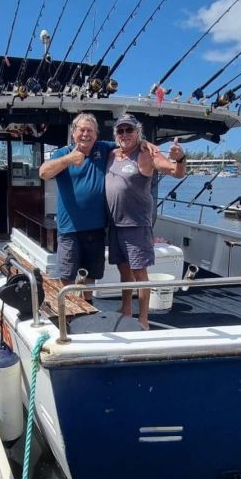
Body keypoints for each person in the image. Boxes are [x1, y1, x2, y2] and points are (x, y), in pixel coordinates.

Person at [105, 113, 186, 329]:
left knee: (140, 274)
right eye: (120, 130)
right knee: (124, 270)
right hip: (115, 224)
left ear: (138, 132)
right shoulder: (112, 154)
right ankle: (126, 309)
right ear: (116, 134)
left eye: (129, 130)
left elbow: (176, 172)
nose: (125, 134)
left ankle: (143, 319)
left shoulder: (147, 154)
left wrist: (179, 158)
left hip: (136, 225)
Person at [38, 113, 113, 297]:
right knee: (67, 274)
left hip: (96, 228)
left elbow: (128, 145)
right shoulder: (63, 153)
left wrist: (145, 143)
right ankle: (70, 307)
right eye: (82, 130)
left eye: (90, 130)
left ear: (96, 134)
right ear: (73, 133)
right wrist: (68, 159)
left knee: (92, 273)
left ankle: (88, 304)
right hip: (69, 229)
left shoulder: (104, 148)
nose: (86, 134)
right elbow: (43, 173)